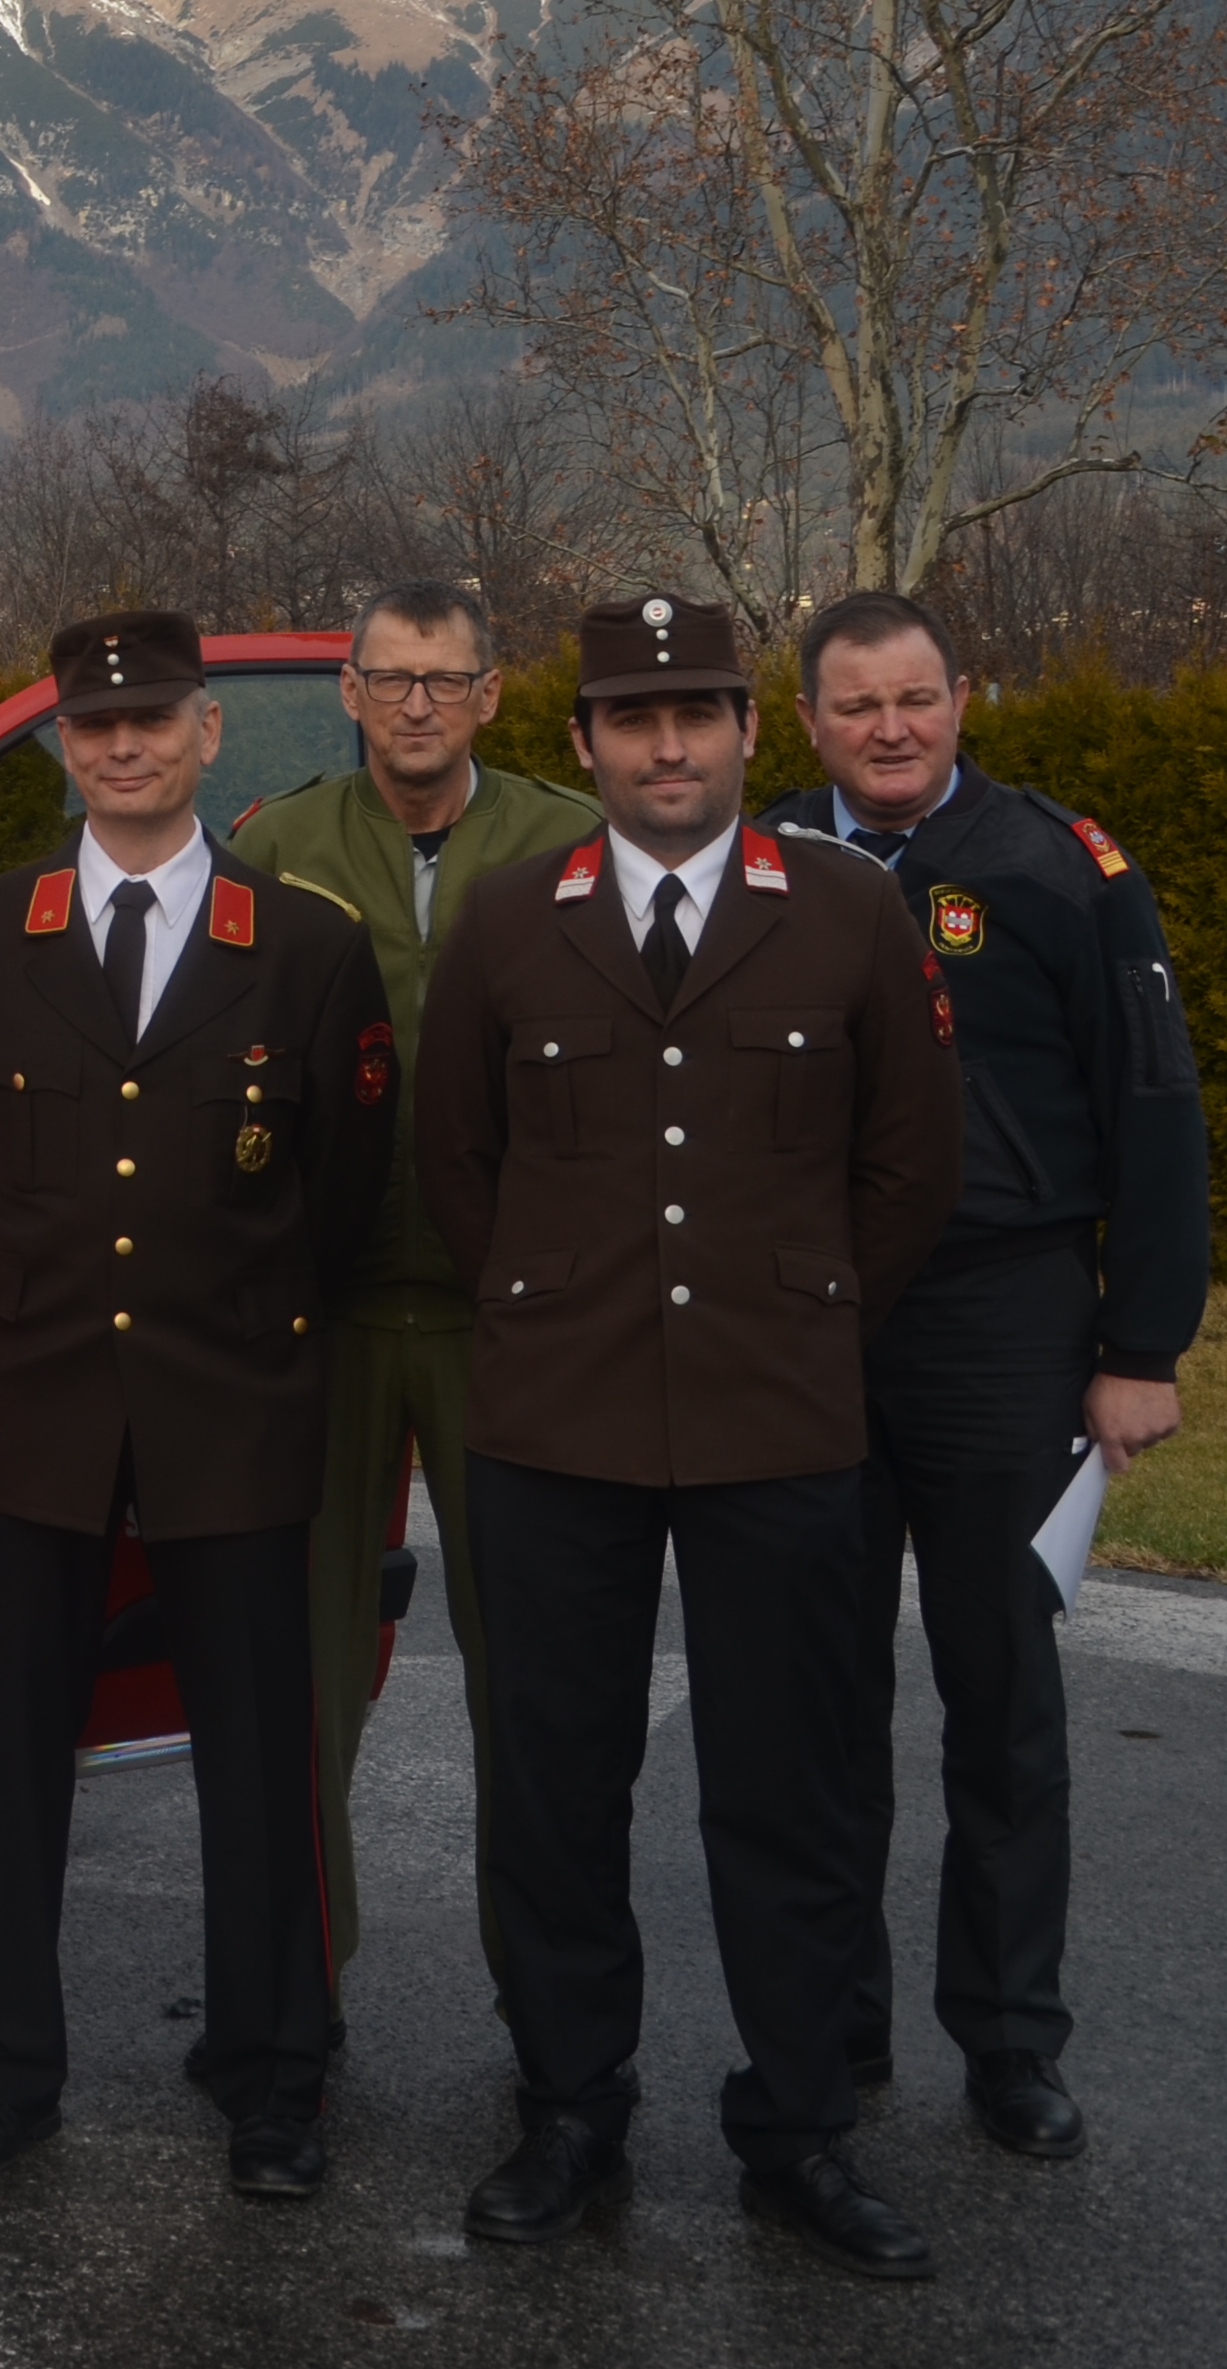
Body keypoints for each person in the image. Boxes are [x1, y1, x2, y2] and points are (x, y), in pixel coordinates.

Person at [418, 594, 961, 2279]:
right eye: (636, 720)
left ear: (749, 733)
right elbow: (457, 1171)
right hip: (556, 1419)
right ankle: (570, 2108)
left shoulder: (854, 919)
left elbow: (908, 1167)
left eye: (701, 716)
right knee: (558, 1785)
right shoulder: (510, 924)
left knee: (788, 1794)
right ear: (579, 743)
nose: (670, 747)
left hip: (779, 1418)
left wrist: (801, 1322)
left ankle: (798, 2128)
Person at [0, 608, 393, 2197]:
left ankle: (273, 2079)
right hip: (35, 1397)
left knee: (260, 1755)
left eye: (156, 721)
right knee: (14, 1753)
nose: (125, 746)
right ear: (60, 743)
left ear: (208, 737)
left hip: (231, 1394)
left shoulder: (304, 949)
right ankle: (1, 2081)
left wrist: (222, 1307)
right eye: (96, 725)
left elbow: (341, 1190)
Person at [774, 591, 1207, 2160]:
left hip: (1003, 1321)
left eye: (917, 698)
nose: (891, 729)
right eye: (855, 703)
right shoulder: (765, 868)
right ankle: (836, 2023)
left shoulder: (1058, 868)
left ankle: (1014, 2042)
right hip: (809, 1324)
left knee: (1002, 1701)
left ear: (964, 699)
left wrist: (1141, 1344)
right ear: (805, 718)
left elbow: (1152, 1100)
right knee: (813, 1701)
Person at [227, 579, 600, 2019]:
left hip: (507, 1314)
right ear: (350, 692)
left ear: (491, 694)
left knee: (535, 1672)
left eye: (446, 679)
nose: (419, 706)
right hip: (321, 1309)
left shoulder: (570, 842)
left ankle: (550, 2010)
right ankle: (295, 1993)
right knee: (304, 1676)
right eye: (392, 680)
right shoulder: (280, 846)